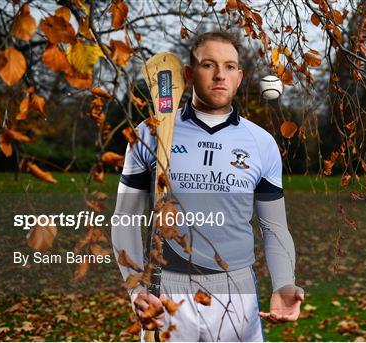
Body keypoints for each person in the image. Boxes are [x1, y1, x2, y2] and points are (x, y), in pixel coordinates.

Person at [112, 31, 303, 342]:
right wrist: (136, 287)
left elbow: (275, 227)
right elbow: (125, 218)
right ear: (188, 74)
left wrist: (283, 282)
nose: (219, 76)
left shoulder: (262, 143)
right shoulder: (149, 133)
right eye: (208, 65)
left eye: (229, 67)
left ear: (240, 77)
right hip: (167, 288)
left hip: (236, 289)